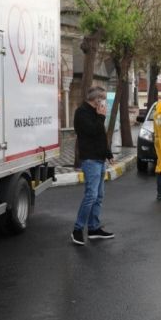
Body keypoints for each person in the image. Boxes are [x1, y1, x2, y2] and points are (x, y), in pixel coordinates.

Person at [71, 86, 115, 245]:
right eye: (102, 98)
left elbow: (101, 135)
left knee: (99, 196)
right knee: (91, 195)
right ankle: (77, 229)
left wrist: (108, 153)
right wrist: (101, 117)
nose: (103, 102)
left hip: (100, 158)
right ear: (95, 99)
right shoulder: (81, 113)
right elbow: (91, 132)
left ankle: (94, 228)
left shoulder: (97, 113)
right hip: (90, 159)